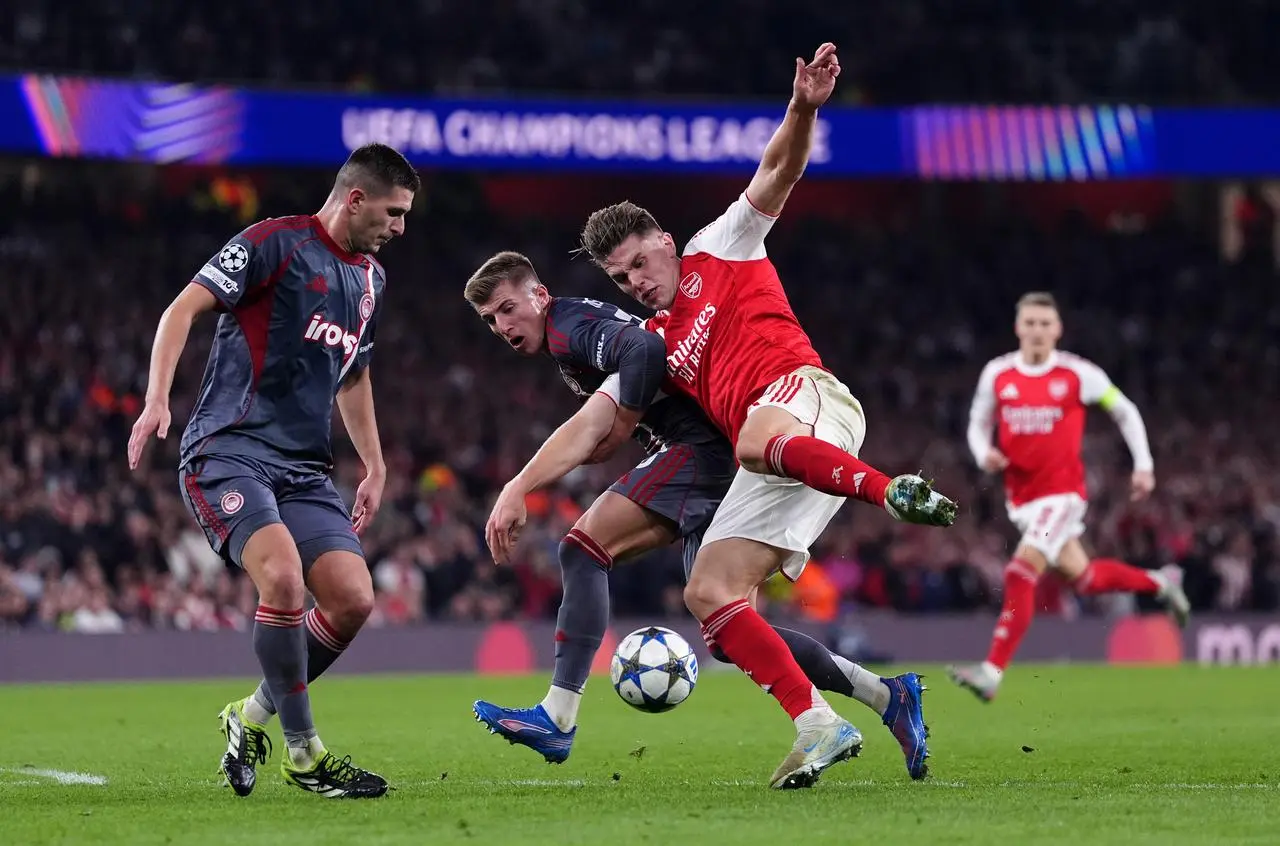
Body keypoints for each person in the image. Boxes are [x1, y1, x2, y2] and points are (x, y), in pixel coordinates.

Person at [576, 43, 954, 789]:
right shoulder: (657, 344)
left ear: (663, 241)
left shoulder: (720, 245)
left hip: (806, 398)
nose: (636, 283)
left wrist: (804, 107)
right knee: (711, 595)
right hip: (777, 450)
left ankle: (889, 491)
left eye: (639, 265)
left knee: (753, 435)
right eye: (620, 279)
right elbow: (604, 419)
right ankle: (848, 712)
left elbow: (778, 172)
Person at [463, 252, 922, 770]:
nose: (502, 326)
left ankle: (558, 717)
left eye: (507, 308)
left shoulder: (568, 325)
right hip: (716, 449)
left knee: (583, 549)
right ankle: (887, 696)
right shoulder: (572, 335)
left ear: (539, 295)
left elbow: (641, 349)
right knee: (727, 627)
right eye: (490, 320)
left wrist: (522, 484)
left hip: (698, 447)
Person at [126, 143, 420, 799]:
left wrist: (372, 464)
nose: (400, 228)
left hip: (304, 471)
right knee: (284, 580)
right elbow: (182, 309)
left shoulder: (371, 281)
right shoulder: (273, 243)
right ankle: (304, 752)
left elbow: (357, 374)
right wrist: (155, 400)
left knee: (352, 599)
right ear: (356, 198)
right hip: (227, 450)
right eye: (394, 213)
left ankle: (249, 716)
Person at [947, 292, 1190, 702]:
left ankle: (991, 671)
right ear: (1018, 327)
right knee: (1085, 578)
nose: (1038, 331)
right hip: (1022, 500)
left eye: (1046, 324)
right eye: (1031, 323)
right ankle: (1161, 581)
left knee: (1019, 572)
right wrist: (981, 452)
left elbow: (1125, 410)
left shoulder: (1078, 375)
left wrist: (1144, 464)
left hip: (1062, 496)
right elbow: (977, 422)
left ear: (1057, 329)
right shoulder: (998, 374)